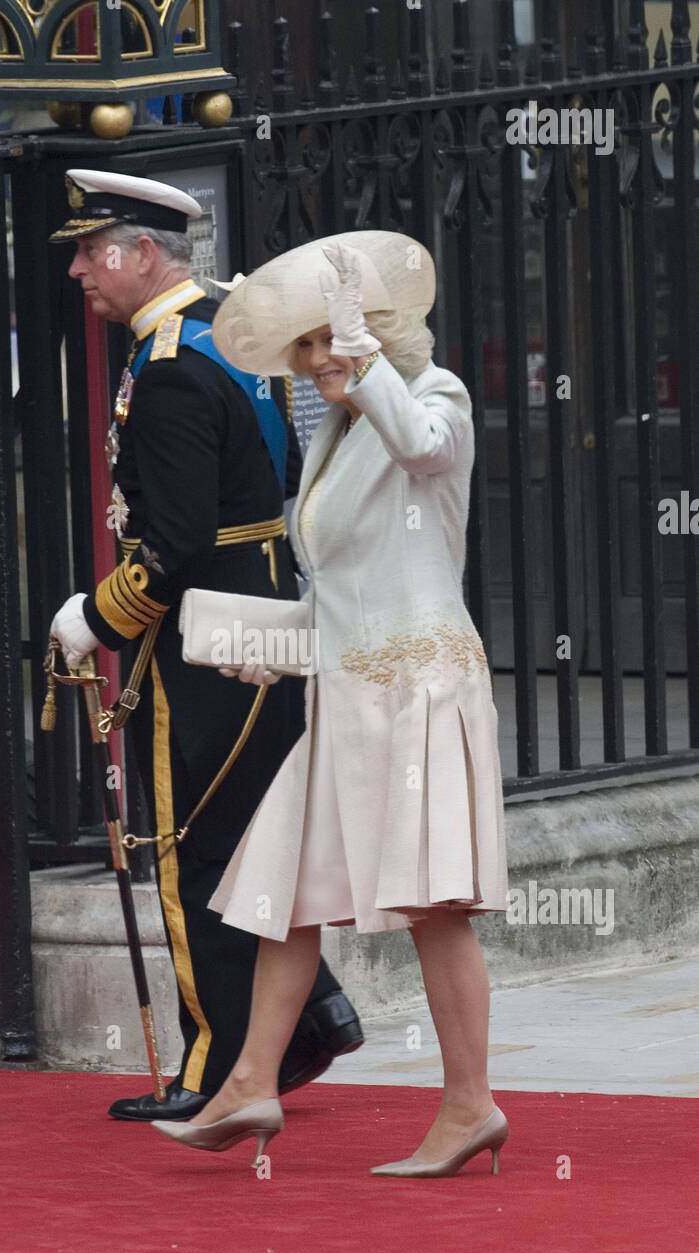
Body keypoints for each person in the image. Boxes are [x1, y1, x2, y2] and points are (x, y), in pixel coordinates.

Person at [149, 231, 510, 1175]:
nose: (317, 364)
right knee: (284, 896)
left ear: (375, 332)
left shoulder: (431, 400)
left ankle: (470, 1107)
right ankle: (250, 1082)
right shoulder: (338, 430)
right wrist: (273, 647)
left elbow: (427, 454)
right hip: (347, 690)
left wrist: (367, 370)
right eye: (305, 350)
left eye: (331, 342)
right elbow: (351, 584)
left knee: (435, 906)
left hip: (420, 688)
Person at [47, 171, 363, 1121]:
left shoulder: (177, 365)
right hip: (259, 613)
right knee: (253, 842)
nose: (76, 271)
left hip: (213, 635)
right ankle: (307, 1019)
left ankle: (219, 1069)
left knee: (198, 848)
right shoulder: (227, 329)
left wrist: (97, 618)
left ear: (143, 254)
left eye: (89, 251)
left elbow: (177, 541)